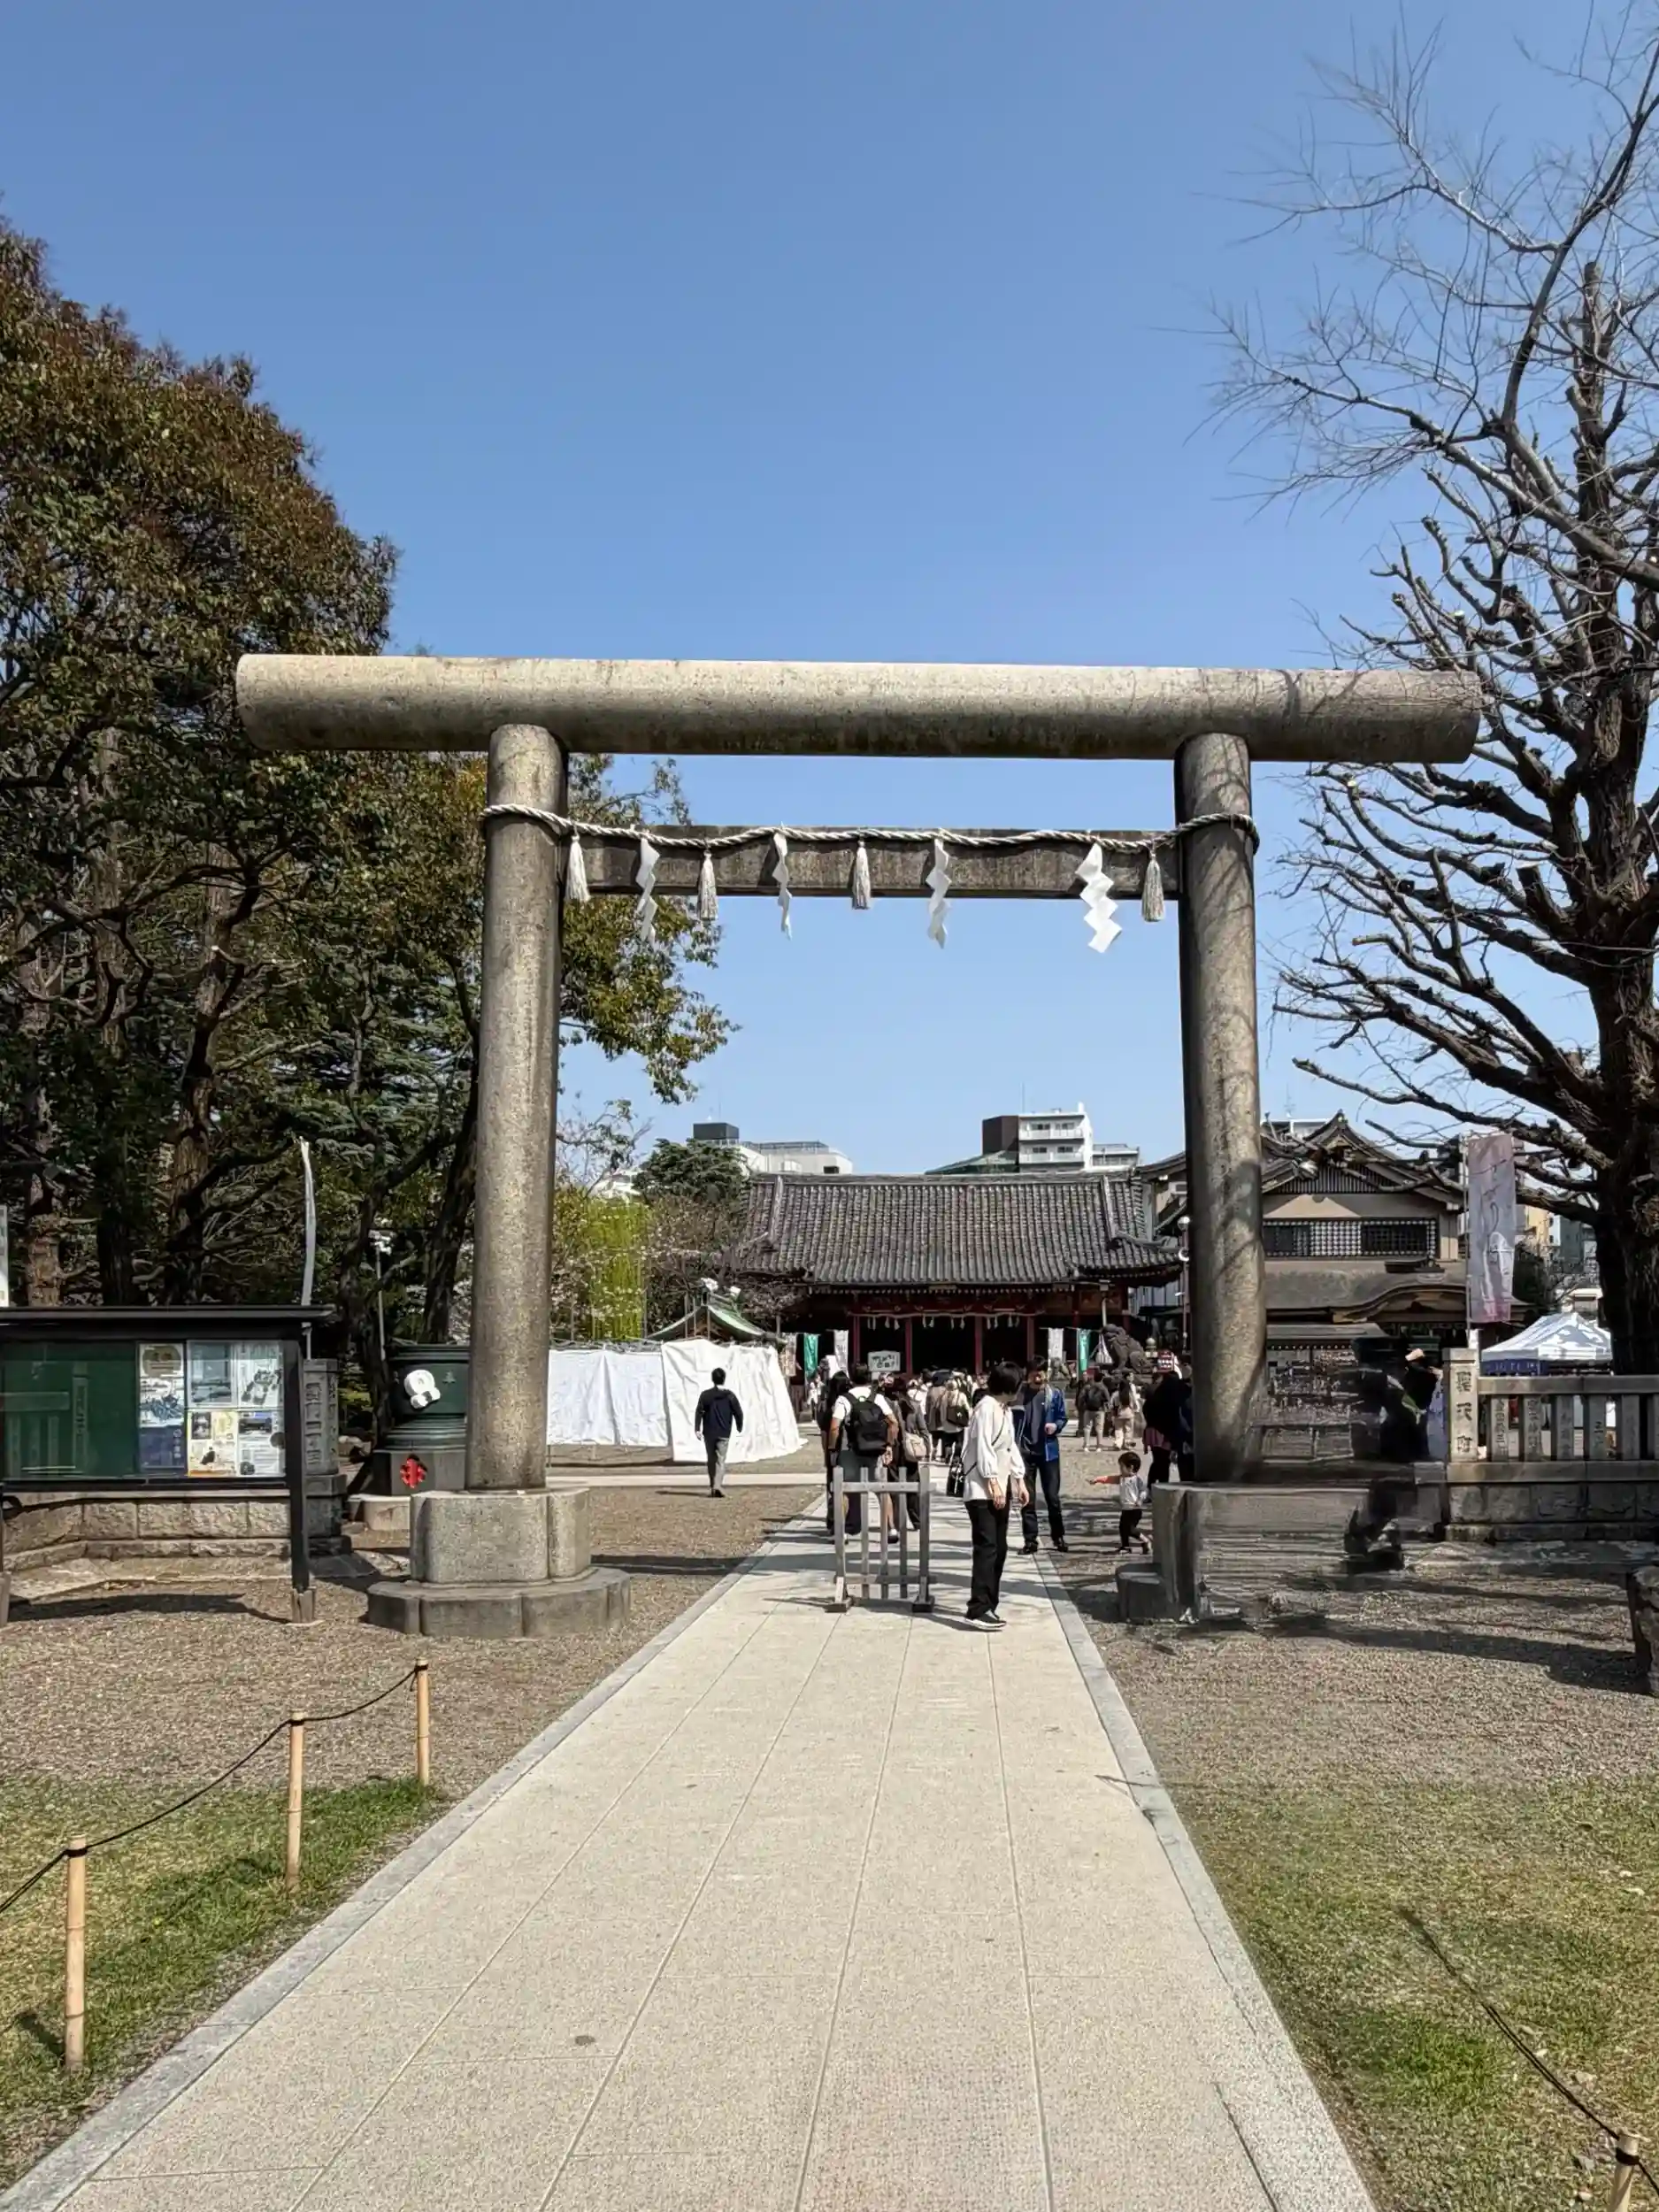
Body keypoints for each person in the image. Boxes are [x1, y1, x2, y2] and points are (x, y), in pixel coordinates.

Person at [960, 1361, 1026, 1625]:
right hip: (982, 1488)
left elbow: (1010, 1447)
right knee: (987, 1547)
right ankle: (978, 1608)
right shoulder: (986, 1408)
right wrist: (993, 1482)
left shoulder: (1004, 1410)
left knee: (999, 1548)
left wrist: (1019, 1479)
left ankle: (990, 1602)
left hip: (1000, 1484)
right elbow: (983, 1448)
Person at [829, 1363, 898, 1538]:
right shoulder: (878, 1398)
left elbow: (834, 1427)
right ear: (869, 1378)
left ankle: (841, 1531)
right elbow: (893, 1422)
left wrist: (832, 1448)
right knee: (882, 1490)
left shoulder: (844, 1399)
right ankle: (890, 1529)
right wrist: (889, 1445)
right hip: (875, 1450)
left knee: (845, 1489)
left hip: (850, 1450)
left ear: (851, 1378)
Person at [1016, 1361, 1069, 1553]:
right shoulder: (1019, 1395)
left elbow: (1062, 1417)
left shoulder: (1054, 1394)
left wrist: (1056, 1426)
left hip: (1048, 1451)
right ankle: (1030, 1540)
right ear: (1028, 1374)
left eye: (1041, 1373)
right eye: (1034, 1374)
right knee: (1027, 1498)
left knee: (1052, 1497)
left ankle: (1058, 1536)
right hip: (1025, 1452)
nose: (1038, 1378)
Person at [693, 1366, 743, 1497]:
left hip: (709, 1432)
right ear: (724, 1379)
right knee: (720, 1460)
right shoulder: (730, 1396)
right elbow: (738, 1412)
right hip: (724, 1432)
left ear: (712, 1379)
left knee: (711, 1459)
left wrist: (697, 1428)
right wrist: (739, 1426)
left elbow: (699, 1412)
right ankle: (717, 1486)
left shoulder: (705, 1395)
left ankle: (713, 1486)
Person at [1142, 1356, 1191, 1486]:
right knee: (1165, 1461)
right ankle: (1161, 1484)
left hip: (1155, 1429)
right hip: (1167, 1432)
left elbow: (1146, 1409)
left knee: (1159, 1460)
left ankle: (1153, 1485)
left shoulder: (1156, 1391)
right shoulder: (1174, 1393)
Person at [818, 1369, 854, 1532]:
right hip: (851, 1451)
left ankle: (834, 1521)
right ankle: (848, 1520)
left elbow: (825, 1434)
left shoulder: (828, 1408)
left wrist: (828, 1452)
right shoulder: (851, 1404)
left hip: (834, 1451)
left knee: (834, 1487)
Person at [1115, 1448, 1150, 1552]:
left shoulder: (1137, 1480)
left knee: (1130, 1529)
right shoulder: (1122, 1478)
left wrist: (1140, 1499)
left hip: (1134, 1510)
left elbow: (1144, 1490)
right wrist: (1098, 1480)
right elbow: (1110, 1479)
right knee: (1122, 1528)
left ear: (1131, 1467)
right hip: (1126, 1509)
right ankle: (1125, 1546)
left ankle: (1145, 1541)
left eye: (1122, 1467)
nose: (1120, 1469)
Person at [1075, 1368, 1110, 1453]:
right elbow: (1108, 1399)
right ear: (1101, 1379)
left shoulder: (1087, 1387)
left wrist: (1080, 1407)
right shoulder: (1103, 1388)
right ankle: (1098, 1446)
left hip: (1088, 1409)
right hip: (1099, 1410)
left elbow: (1081, 1397)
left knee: (1087, 1428)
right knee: (1099, 1429)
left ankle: (1086, 1446)